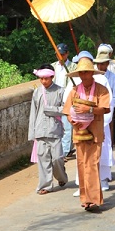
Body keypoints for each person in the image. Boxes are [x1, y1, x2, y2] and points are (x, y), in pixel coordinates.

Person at [63, 57, 111, 212]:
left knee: (92, 164)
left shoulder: (101, 89)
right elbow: (67, 111)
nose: (84, 76)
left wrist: (89, 110)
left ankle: (94, 198)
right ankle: (85, 198)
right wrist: (73, 121)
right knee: (82, 164)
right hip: (79, 132)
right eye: (81, 73)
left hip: (95, 131)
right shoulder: (74, 91)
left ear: (92, 73)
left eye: (86, 73)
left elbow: (104, 108)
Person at [28, 64, 68, 194]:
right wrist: (32, 133)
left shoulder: (61, 91)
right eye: (41, 79)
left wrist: (51, 110)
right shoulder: (37, 92)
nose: (44, 81)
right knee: (43, 159)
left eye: (46, 78)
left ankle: (61, 177)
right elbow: (33, 113)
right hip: (40, 130)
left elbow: (66, 109)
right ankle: (45, 185)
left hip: (54, 130)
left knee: (57, 158)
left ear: (52, 76)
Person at [93, 51, 115, 191]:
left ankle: (104, 177)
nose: (101, 66)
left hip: (106, 115)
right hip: (90, 118)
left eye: (103, 63)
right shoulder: (92, 77)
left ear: (107, 64)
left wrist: (106, 109)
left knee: (105, 145)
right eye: (98, 64)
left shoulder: (112, 79)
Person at [51, 43, 77, 159]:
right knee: (57, 127)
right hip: (55, 100)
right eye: (58, 54)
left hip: (67, 100)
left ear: (67, 54)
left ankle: (65, 152)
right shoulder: (53, 67)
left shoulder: (73, 67)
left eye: (62, 54)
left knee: (67, 127)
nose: (60, 57)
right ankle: (61, 150)